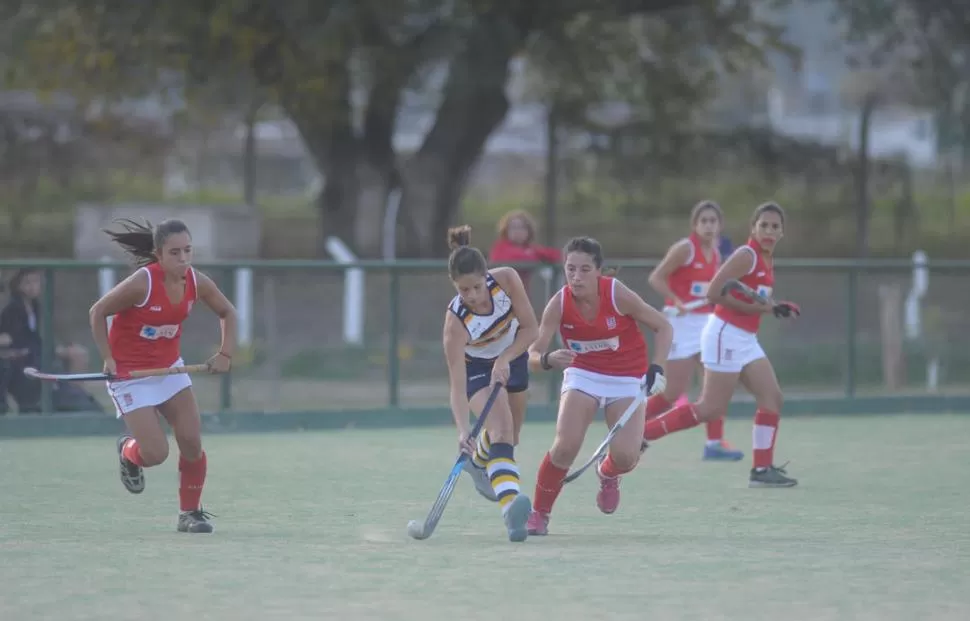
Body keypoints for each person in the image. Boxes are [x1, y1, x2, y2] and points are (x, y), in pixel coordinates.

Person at [88, 218, 238, 533]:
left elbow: (228, 312)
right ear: (159, 254)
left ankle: (190, 513)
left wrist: (225, 353)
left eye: (187, 251)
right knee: (155, 454)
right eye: (175, 253)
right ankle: (128, 451)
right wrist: (108, 358)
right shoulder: (142, 283)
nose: (183, 259)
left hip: (170, 369)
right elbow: (98, 312)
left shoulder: (197, 282)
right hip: (130, 375)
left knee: (191, 441)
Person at [642, 202, 800, 488]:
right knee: (708, 408)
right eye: (763, 225)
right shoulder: (746, 255)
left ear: (782, 233)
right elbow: (716, 293)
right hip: (724, 333)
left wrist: (775, 307)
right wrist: (763, 309)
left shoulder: (766, 259)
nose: (768, 231)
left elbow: (753, 299)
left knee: (772, 398)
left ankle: (761, 470)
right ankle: (640, 435)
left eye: (775, 227)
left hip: (745, 338)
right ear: (753, 228)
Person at [525, 236, 673, 536]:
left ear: (599, 271)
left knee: (626, 457)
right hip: (584, 373)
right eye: (570, 269)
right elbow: (532, 356)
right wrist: (549, 359)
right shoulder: (559, 303)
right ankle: (539, 514)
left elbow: (663, 326)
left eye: (584, 270)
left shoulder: (617, 294)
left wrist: (657, 368)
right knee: (565, 446)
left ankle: (607, 472)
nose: (576, 277)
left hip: (627, 377)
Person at [443, 225, 538, 542]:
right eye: (462, 290)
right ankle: (512, 511)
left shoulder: (507, 280)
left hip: (514, 354)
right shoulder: (455, 325)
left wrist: (506, 358)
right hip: (477, 370)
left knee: (511, 438)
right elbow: (456, 387)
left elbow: (530, 330)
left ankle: (478, 462)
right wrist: (462, 428)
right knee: (500, 429)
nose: (470, 296)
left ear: (486, 276)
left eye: (475, 287)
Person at [645, 200, 744, 461]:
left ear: (720, 225)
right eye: (704, 221)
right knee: (672, 393)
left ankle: (714, 443)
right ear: (695, 225)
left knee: (715, 384)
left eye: (713, 221)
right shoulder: (684, 249)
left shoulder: (718, 252)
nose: (709, 226)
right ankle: (629, 424)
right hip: (680, 323)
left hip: (706, 322)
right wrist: (676, 300)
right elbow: (656, 277)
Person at [0, 268, 90, 412]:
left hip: (37, 349)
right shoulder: (13, 309)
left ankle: (76, 397)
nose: (33, 287)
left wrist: (58, 347)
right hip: (26, 355)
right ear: (18, 286)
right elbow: (15, 339)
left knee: (79, 354)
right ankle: (69, 399)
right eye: (27, 283)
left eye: (36, 282)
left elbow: (37, 335)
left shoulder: (36, 306)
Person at [488, 210, 561, 290]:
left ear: (529, 231)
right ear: (506, 230)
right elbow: (514, 257)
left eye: (522, 227)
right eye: (513, 227)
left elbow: (556, 255)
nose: (517, 231)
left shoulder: (532, 249)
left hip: (525, 293)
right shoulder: (500, 247)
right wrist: (531, 255)